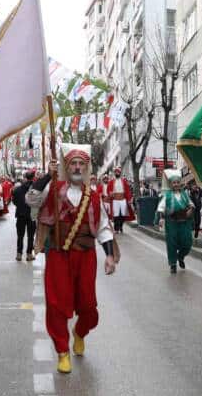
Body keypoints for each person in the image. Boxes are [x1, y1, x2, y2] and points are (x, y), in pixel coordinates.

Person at [27, 144, 118, 374]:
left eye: (81, 164)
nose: (77, 167)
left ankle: (80, 332)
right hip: (58, 255)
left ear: (86, 168)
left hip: (86, 256)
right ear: (66, 167)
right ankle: (62, 351)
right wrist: (48, 174)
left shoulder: (94, 196)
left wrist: (109, 255)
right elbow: (31, 199)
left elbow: (104, 227)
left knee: (88, 306)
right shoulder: (53, 188)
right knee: (57, 304)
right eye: (73, 164)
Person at [156, 169, 194, 274]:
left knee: (187, 243)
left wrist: (190, 210)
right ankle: (173, 264)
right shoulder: (166, 195)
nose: (176, 184)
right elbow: (161, 208)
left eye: (178, 182)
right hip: (172, 223)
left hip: (184, 223)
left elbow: (191, 205)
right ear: (171, 184)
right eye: (174, 183)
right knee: (172, 244)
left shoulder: (185, 194)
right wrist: (161, 218)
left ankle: (180, 257)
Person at [13, 170, 38, 261]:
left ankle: (19, 254)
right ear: (33, 177)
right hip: (31, 215)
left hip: (20, 214)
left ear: (25, 177)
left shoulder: (17, 189)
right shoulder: (36, 189)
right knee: (30, 236)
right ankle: (29, 254)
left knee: (20, 236)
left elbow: (14, 201)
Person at [105, 167, 135, 233]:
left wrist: (129, 199)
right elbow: (108, 190)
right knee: (116, 215)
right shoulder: (111, 182)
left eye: (118, 172)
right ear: (114, 173)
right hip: (115, 200)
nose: (117, 173)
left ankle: (121, 226)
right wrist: (110, 193)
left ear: (120, 173)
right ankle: (116, 229)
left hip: (123, 200)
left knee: (123, 214)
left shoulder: (124, 181)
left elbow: (128, 191)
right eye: (115, 172)